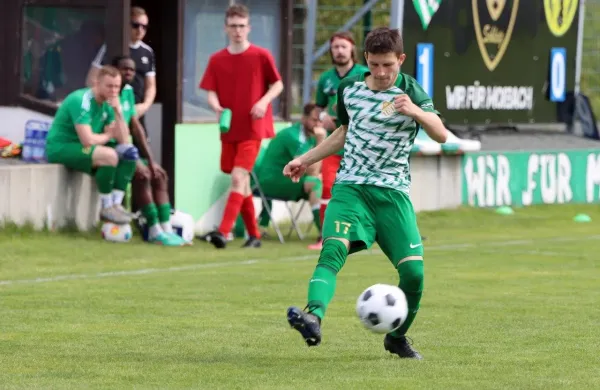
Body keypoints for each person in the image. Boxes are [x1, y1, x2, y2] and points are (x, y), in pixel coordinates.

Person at [284, 27, 448, 360]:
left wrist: (415, 112)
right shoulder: (349, 90)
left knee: (414, 274)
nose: (382, 73)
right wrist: (305, 159)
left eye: (388, 64)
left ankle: (397, 338)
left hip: (392, 194)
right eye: (374, 65)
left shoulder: (412, 91)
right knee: (332, 251)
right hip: (351, 189)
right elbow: (344, 133)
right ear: (366, 60)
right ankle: (313, 315)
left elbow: (441, 134)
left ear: (400, 59)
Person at [199, 3, 283, 249]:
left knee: (238, 177)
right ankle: (254, 236)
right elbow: (211, 92)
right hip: (229, 129)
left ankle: (223, 232)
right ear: (226, 28)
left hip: (253, 128)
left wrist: (263, 102)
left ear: (249, 28)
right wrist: (216, 107)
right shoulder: (217, 59)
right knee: (241, 181)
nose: (238, 30)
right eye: (233, 26)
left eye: (242, 26)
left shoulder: (261, 55)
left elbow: (277, 85)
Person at [46, 65, 140, 225]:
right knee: (110, 155)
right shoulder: (81, 100)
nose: (114, 90)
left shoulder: (109, 103)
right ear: (97, 83)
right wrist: (108, 135)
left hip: (87, 149)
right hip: (63, 147)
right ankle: (106, 206)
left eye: (117, 86)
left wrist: (118, 111)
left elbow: (124, 140)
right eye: (109, 86)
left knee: (130, 153)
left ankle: (116, 204)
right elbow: (87, 140)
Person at [112, 55, 186, 246]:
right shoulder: (109, 94)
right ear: (115, 70)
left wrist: (152, 160)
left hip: (127, 148)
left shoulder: (128, 92)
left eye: (132, 70)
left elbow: (136, 128)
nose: (128, 73)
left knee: (159, 174)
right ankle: (153, 230)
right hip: (112, 148)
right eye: (124, 69)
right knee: (143, 174)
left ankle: (166, 228)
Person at [312, 31, 369, 250]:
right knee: (327, 187)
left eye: (343, 47)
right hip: (333, 145)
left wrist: (344, 115)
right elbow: (318, 109)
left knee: (363, 191)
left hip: (360, 146)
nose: (339, 51)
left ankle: (363, 233)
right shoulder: (325, 79)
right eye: (335, 47)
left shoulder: (365, 74)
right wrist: (322, 117)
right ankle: (326, 236)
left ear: (352, 49)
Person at [255, 103, 327, 236]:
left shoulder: (310, 135)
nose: (318, 125)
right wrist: (321, 141)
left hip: (290, 178)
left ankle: (340, 229)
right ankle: (324, 233)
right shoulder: (293, 136)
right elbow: (311, 171)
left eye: (320, 121)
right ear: (304, 118)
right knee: (314, 183)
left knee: (330, 182)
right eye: (314, 120)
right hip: (272, 181)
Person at [88, 7, 156, 131]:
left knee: (139, 144)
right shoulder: (112, 47)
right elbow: (92, 79)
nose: (140, 30)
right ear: (127, 25)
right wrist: (107, 104)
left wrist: (145, 106)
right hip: (112, 109)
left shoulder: (148, 52)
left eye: (144, 27)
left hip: (136, 110)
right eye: (136, 25)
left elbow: (151, 85)